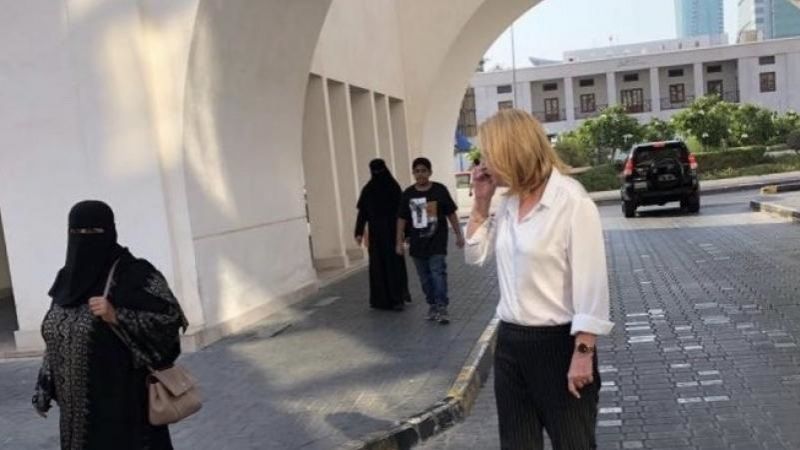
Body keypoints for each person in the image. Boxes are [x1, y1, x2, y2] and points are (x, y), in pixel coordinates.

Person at [465, 109, 614, 449]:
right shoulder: (508, 202)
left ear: (511, 152)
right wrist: (481, 203)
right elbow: (475, 256)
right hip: (510, 344)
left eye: (489, 155)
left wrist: (583, 353)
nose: (483, 164)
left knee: (574, 443)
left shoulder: (571, 202)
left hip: (559, 346)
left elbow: (591, 286)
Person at [33, 200, 188, 450]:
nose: (84, 238)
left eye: (93, 231)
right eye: (77, 231)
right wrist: (44, 386)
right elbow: (56, 335)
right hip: (76, 413)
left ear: (110, 230)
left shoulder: (136, 274)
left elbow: (169, 320)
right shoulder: (67, 278)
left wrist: (117, 316)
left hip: (125, 407)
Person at [397, 157, 464, 324]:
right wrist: (398, 242)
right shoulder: (408, 194)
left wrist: (459, 234)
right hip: (417, 244)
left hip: (437, 242)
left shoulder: (439, 190)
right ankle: (432, 305)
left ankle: (442, 307)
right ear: (413, 173)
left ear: (430, 172)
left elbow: (451, 213)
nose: (420, 174)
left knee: (437, 274)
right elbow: (402, 219)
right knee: (424, 278)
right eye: (417, 171)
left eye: (423, 171)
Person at [355, 159, 411, 310]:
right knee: (378, 266)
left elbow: (403, 212)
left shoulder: (393, 187)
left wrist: (407, 232)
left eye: (379, 170)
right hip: (377, 236)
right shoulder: (369, 190)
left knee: (393, 265)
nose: (378, 173)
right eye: (375, 170)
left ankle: (397, 299)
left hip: (393, 235)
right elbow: (363, 213)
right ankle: (381, 300)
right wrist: (359, 232)